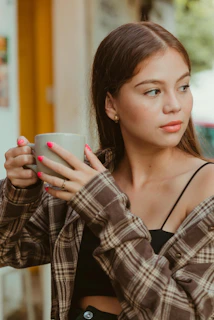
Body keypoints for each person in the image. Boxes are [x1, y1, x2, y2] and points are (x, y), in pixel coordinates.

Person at [0, 21, 214, 320]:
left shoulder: (208, 188)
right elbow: (7, 251)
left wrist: (106, 210)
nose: (174, 105)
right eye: (153, 91)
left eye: (183, 86)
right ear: (112, 105)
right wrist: (18, 191)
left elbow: (184, 314)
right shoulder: (81, 180)